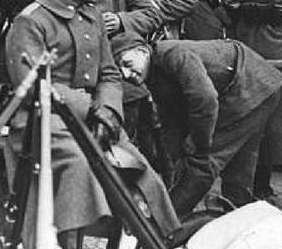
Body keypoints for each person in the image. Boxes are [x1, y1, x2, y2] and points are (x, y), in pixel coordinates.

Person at [6, 0, 179, 249]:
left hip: (90, 120)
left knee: (140, 173)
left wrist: (108, 110)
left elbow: (110, 73)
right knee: (80, 167)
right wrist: (90, 108)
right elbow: (33, 86)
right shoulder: (31, 21)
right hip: (43, 123)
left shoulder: (91, 16)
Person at [111, 32, 282, 216]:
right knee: (237, 168)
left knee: (204, 164)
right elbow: (172, 121)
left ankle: (166, 225)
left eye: (128, 64)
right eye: (121, 72)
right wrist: (176, 158)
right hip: (254, 84)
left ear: (142, 51)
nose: (127, 74)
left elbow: (204, 101)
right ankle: (237, 219)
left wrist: (200, 148)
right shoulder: (153, 73)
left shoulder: (174, 55)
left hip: (252, 84)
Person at [230, 0, 282, 198]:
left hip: (276, 38)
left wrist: (250, 8)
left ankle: (265, 185)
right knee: (250, 111)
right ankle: (253, 184)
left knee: (273, 115)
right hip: (246, 37)